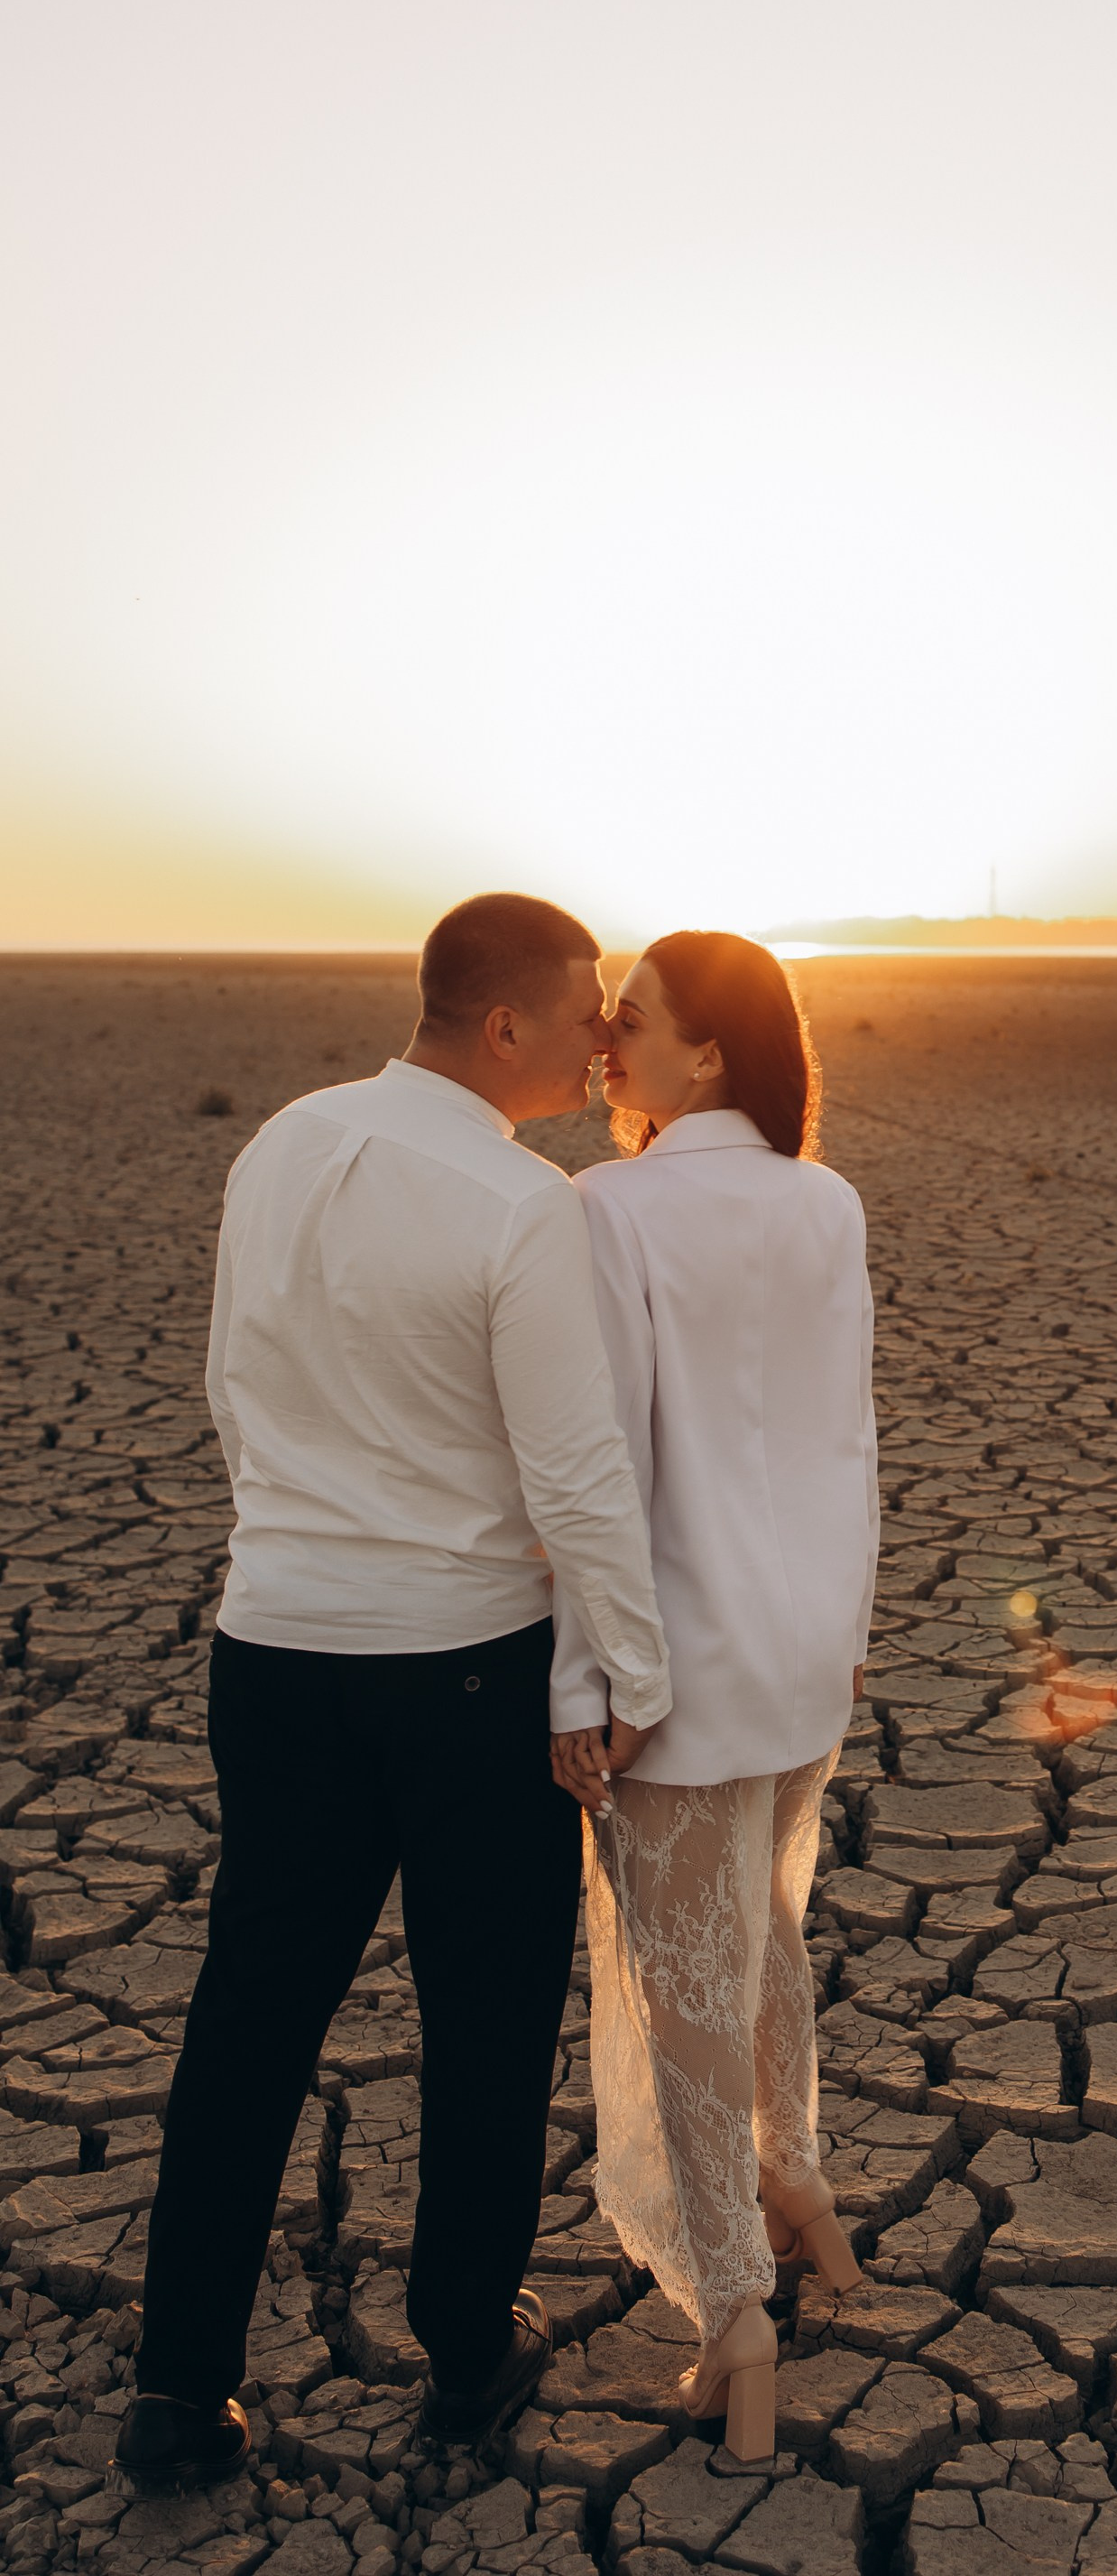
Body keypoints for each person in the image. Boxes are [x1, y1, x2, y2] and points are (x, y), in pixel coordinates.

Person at [117, 894, 671, 2488]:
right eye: (585, 1012)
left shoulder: (280, 1145)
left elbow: (236, 1383)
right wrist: (623, 1669)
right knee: (483, 2018)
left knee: (251, 2014)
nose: (602, 1040)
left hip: (274, 1651)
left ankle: (176, 2385)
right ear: (505, 1025)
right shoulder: (524, 1202)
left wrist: (298, 1545)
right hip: (464, 1667)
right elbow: (576, 1476)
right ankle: (465, 2346)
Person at [553, 931, 879, 2462]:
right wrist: (850, 1630)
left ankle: (735, 2314)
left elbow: (600, 1462)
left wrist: (586, 1676)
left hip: (674, 1666)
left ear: (712, 1057)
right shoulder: (826, 1202)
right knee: (766, 1933)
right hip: (804, 1652)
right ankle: (800, 2183)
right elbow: (848, 1446)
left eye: (634, 1019)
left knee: (685, 1994)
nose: (606, 1038)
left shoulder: (608, 1206)